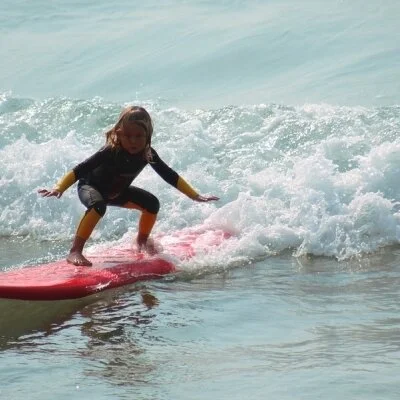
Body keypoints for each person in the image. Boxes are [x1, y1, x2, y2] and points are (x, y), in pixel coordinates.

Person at [38, 106, 219, 266]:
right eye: (127, 136)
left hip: (118, 193)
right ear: (118, 133)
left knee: (152, 204)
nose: (133, 141)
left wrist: (194, 195)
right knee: (98, 206)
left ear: (148, 135)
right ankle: (75, 251)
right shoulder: (110, 150)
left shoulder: (148, 154)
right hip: (90, 188)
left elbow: (169, 175)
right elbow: (81, 169)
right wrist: (59, 187)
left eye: (138, 136)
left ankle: (142, 241)